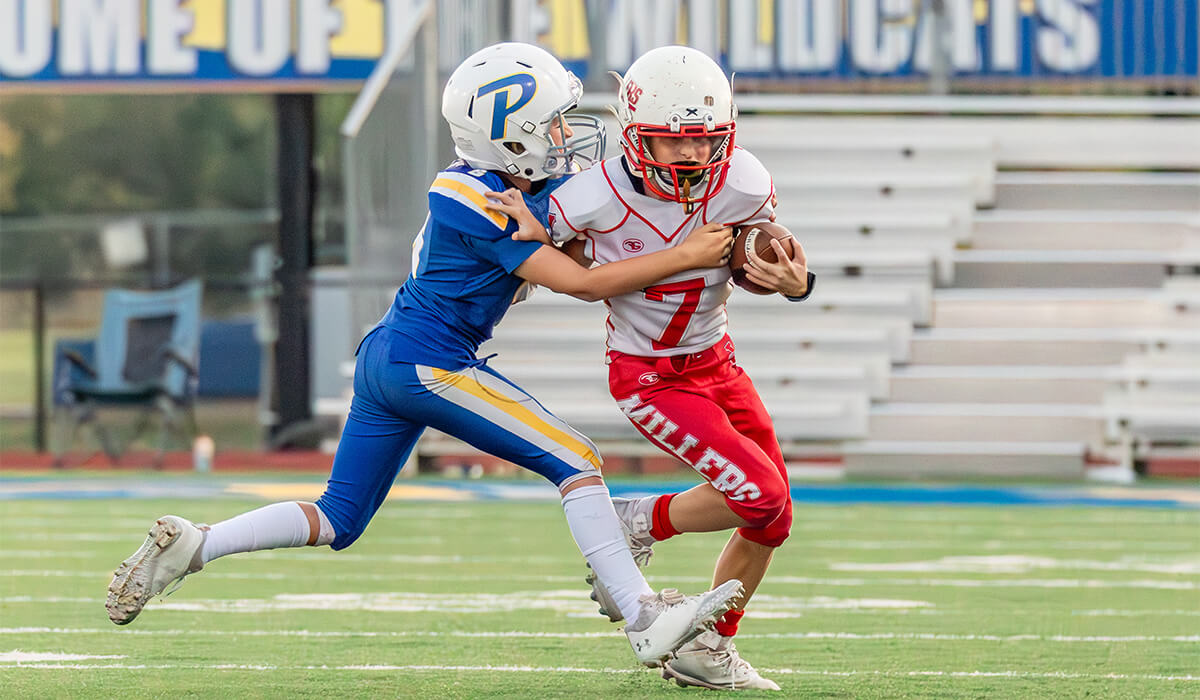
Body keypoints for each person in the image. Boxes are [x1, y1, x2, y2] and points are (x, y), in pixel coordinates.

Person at [104, 42, 744, 669]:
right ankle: (642, 618)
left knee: (339, 516)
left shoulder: (504, 190)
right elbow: (580, 283)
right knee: (577, 460)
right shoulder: (481, 197)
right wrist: (688, 254)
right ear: (510, 135)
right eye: (549, 122)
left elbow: (578, 247)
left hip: (391, 354)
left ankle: (197, 546)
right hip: (429, 360)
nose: (563, 132)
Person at [513, 45, 815, 691]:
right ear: (632, 132)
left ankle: (709, 646)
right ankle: (632, 522)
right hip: (651, 375)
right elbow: (558, 263)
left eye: (706, 141)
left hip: (719, 361)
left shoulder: (744, 180)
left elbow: (750, 262)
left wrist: (791, 281)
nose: (693, 157)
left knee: (774, 518)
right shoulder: (590, 196)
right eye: (672, 143)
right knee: (759, 493)